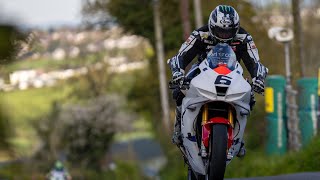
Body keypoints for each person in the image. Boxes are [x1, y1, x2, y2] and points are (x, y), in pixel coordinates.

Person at [168, 5, 268, 157]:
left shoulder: (244, 37)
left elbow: (254, 61)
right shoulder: (200, 34)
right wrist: (178, 73)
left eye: (228, 31)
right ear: (211, 25)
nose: (224, 35)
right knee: (179, 90)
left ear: (236, 28)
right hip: (203, 70)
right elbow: (182, 55)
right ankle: (178, 129)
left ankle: (239, 139)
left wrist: (258, 78)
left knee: (250, 97)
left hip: (232, 72)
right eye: (221, 30)